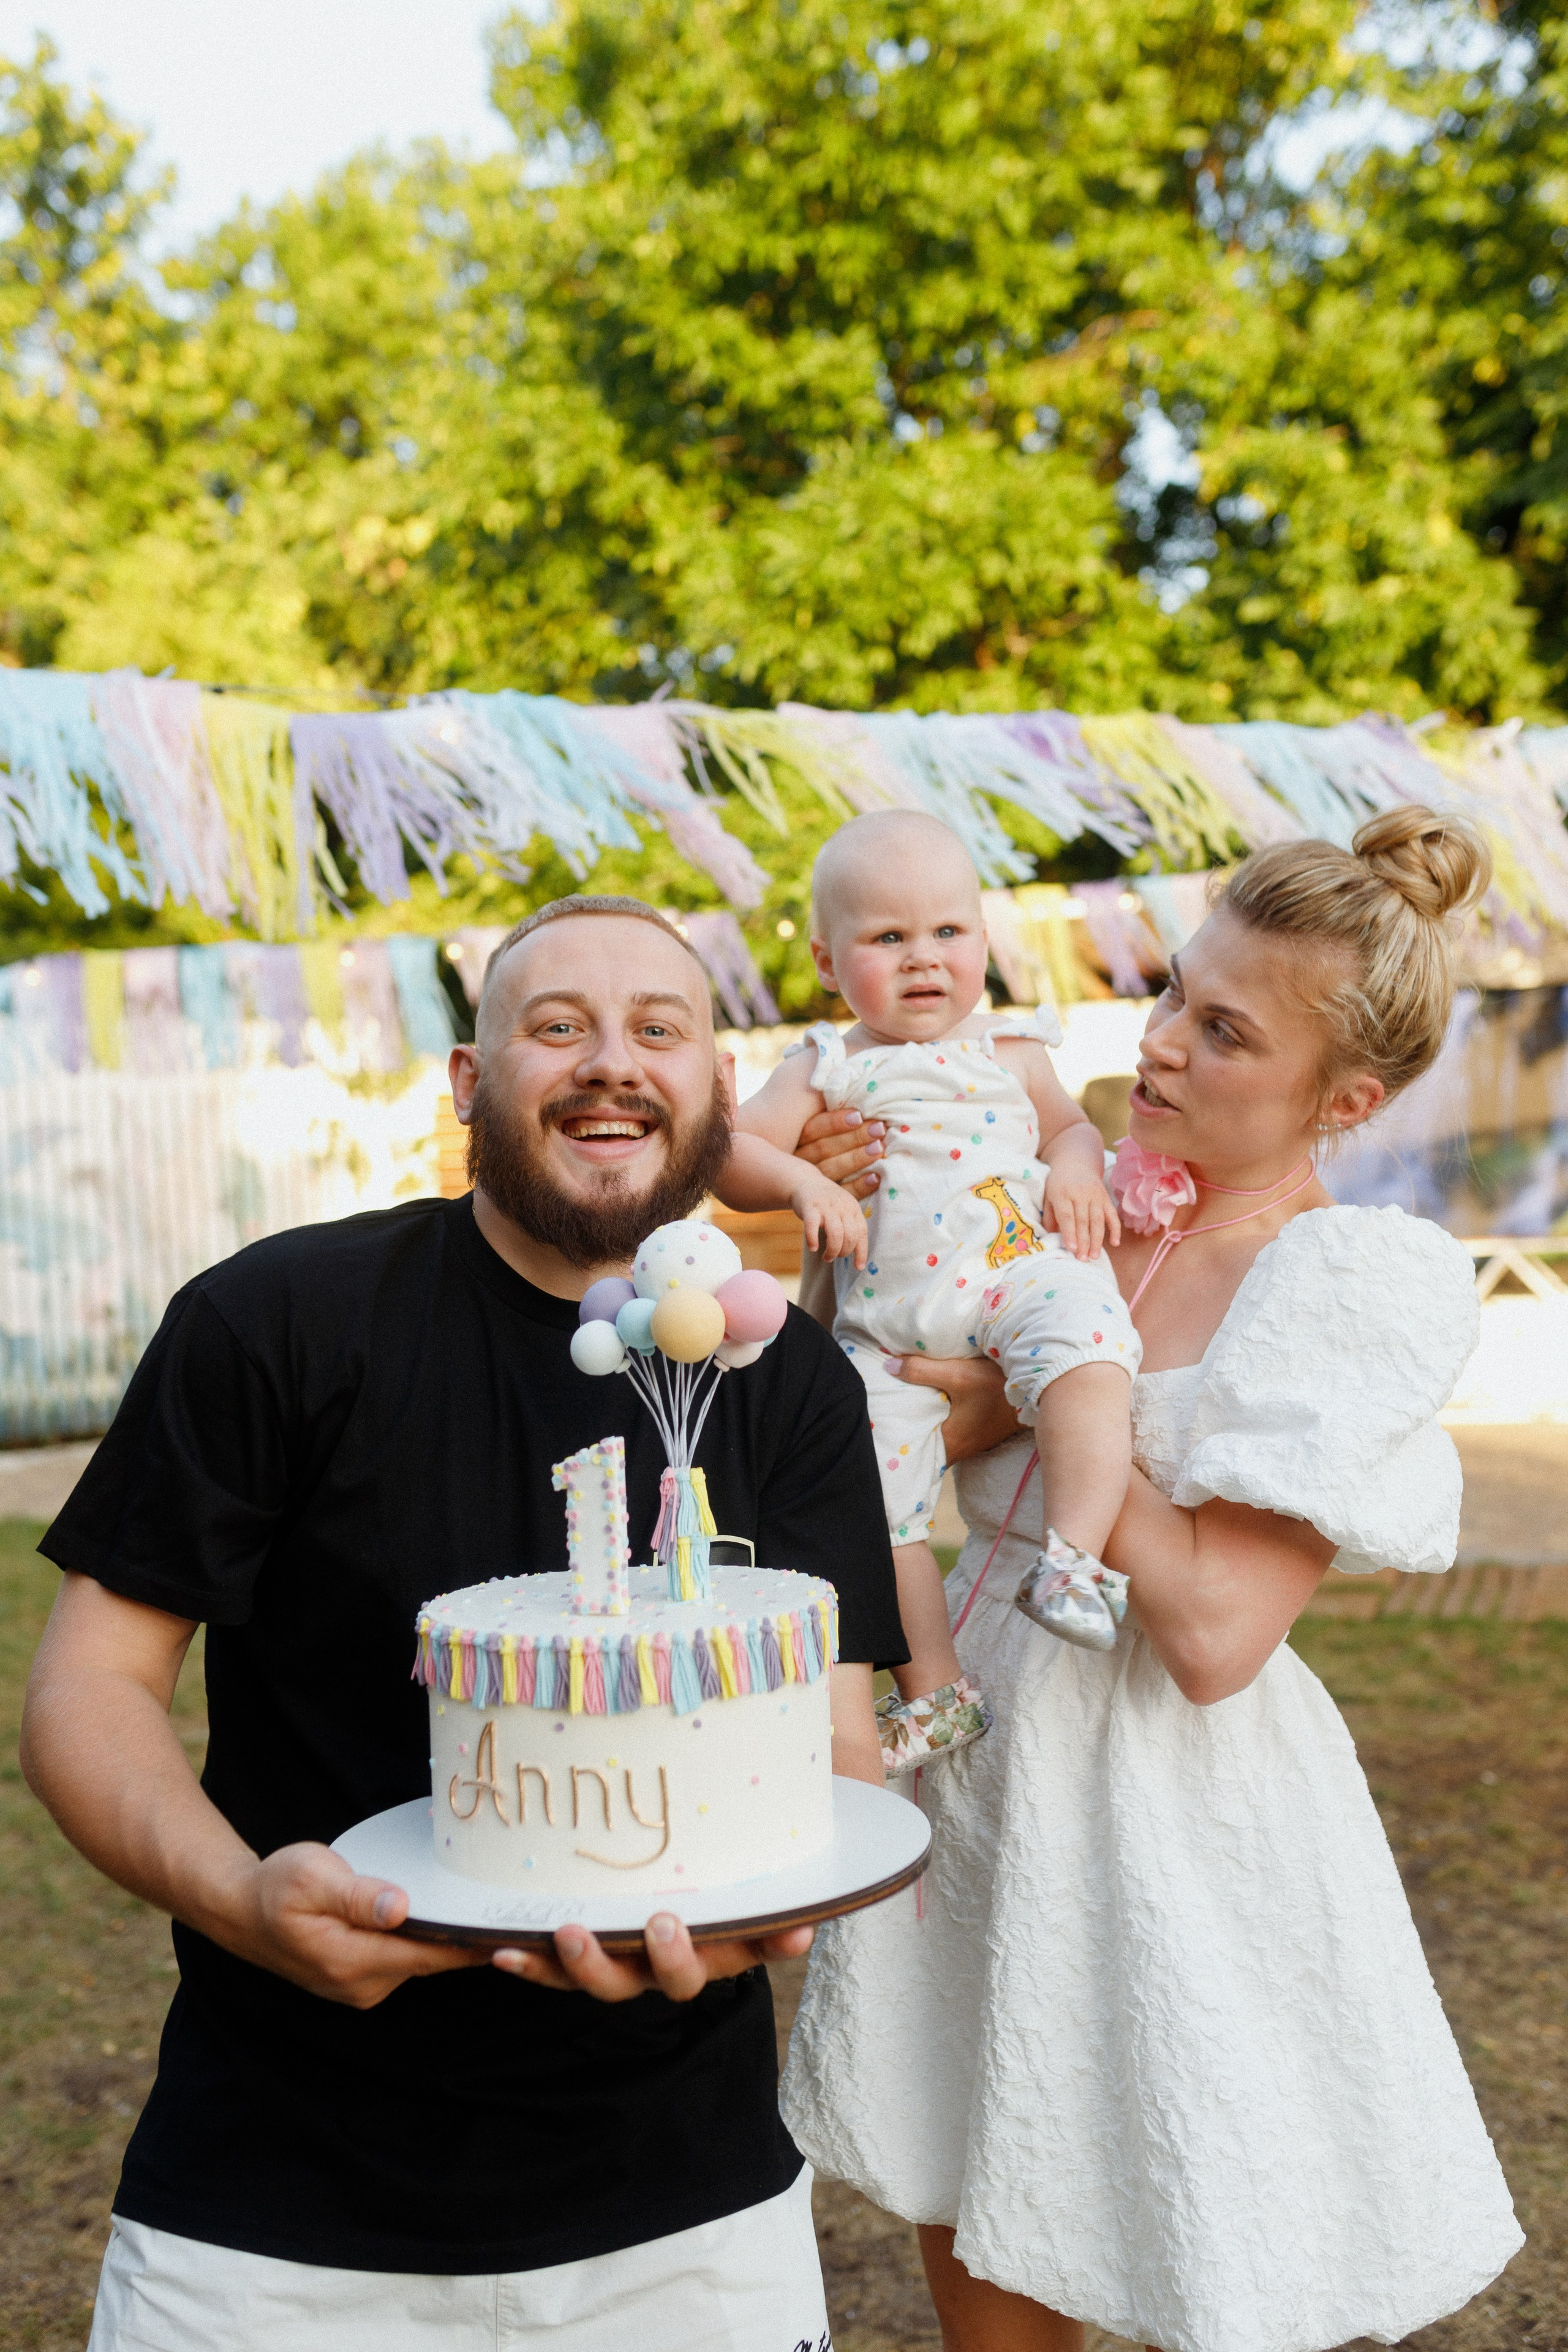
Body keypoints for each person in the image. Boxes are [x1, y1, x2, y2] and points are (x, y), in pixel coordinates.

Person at [20, 892, 905, 2352]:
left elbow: (834, 1747)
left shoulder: (787, 1378)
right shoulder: (279, 1321)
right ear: (466, 1085)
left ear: (717, 1091)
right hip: (275, 2220)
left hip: (684, 2227)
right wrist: (245, 1905)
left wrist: (764, 1912)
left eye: (657, 1030)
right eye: (555, 1027)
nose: (610, 1062)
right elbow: (89, 1691)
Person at [780, 809, 1524, 2352]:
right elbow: (881, 1383)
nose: (1162, 1043)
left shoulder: (1343, 1284)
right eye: (1173, 992)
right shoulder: (1062, 1194)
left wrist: (1042, 1413)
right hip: (972, 1763)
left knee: (1210, 2239)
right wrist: (841, 1230)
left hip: (1165, 1813)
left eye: (1223, 1029)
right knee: (974, 2180)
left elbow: (1207, 1633)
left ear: (1347, 1098)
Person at [721, 810, 1140, 1776]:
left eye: (948, 932)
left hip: (1015, 1276)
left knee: (1091, 1346)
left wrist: (1076, 1165)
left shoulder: (1016, 1051)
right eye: (888, 938)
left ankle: (1076, 1559)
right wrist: (804, 1182)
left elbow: (1070, 1128)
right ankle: (938, 1693)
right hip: (888, 1327)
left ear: (985, 944)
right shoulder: (826, 1065)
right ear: (830, 964)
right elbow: (733, 1153)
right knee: (872, 1505)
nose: (924, 959)